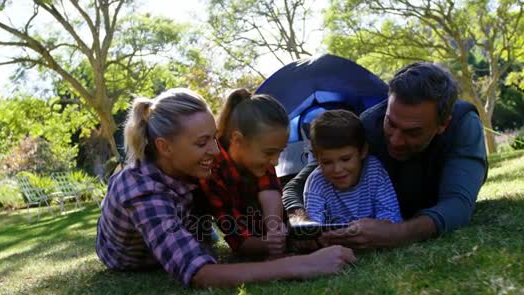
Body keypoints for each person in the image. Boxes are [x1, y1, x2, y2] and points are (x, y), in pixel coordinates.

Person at [95, 88, 355, 288]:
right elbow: (200, 274)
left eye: (213, 137)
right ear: (164, 147)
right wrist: (303, 265)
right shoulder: (141, 188)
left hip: (192, 234)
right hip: (138, 262)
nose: (215, 150)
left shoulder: (189, 165)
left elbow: (261, 179)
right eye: (202, 143)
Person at [283, 62, 488, 249]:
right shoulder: (368, 126)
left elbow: (458, 204)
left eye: (413, 132)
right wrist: (301, 222)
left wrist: (397, 233)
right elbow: (297, 185)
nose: (396, 140)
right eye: (391, 123)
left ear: (443, 124)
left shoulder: (464, 125)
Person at [199, 88, 290, 258]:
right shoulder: (211, 169)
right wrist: (267, 245)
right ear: (237, 139)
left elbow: (270, 188)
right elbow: (239, 241)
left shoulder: (260, 156)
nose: (275, 161)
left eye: (280, 152)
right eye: (270, 153)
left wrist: (274, 228)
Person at [304, 109, 402, 224]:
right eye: (327, 162)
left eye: (345, 159)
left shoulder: (374, 171)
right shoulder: (317, 182)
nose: (337, 169)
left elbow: (391, 215)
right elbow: (313, 225)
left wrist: (376, 231)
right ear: (317, 159)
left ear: (363, 151)